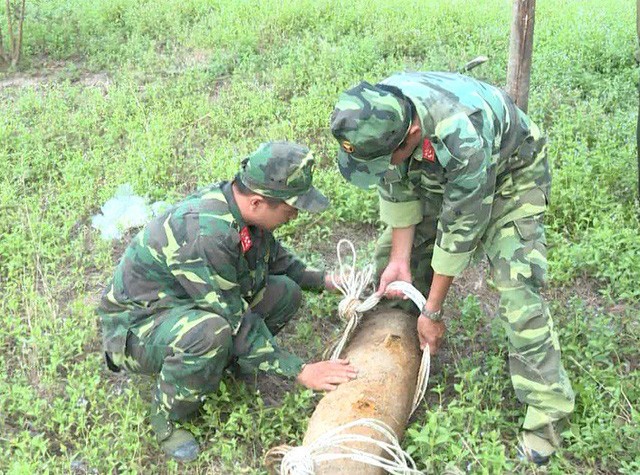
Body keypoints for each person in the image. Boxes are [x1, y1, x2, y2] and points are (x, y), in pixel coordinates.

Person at [329, 72, 574, 464]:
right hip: (436, 171)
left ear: (409, 134)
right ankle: (395, 343)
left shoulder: (464, 133)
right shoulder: (380, 113)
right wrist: (398, 262)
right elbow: (397, 186)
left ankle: (547, 410)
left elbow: (462, 226)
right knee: (388, 265)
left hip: (512, 177)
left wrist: (434, 310)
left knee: (517, 291)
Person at [97, 141, 357, 462]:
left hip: (185, 305)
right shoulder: (208, 234)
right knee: (212, 332)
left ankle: (226, 365)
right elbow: (234, 319)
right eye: (291, 207)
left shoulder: (245, 212)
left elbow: (277, 262)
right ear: (259, 202)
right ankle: (167, 417)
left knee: (285, 292)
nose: (295, 214)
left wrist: (327, 281)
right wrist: (300, 370)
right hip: (137, 328)